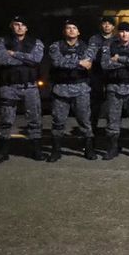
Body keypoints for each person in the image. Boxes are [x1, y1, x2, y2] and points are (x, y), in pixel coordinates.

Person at [0, 15, 45, 163]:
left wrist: (14, 54)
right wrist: (26, 59)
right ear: (12, 26)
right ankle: (2, 152)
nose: (19, 27)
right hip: (8, 87)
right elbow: (2, 59)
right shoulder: (2, 41)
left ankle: (37, 151)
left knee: (34, 119)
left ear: (27, 28)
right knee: (6, 119)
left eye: (22, 25)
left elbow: (36, 59)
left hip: (30, 87)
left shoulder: (35, 42)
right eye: (16, 24)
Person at [47, 19, 96, 162]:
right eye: (68, 28)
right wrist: (78, 62)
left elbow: (87, 64)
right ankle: (56, 151)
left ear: (78, 31)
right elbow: (57, 62)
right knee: (58, 121)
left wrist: (71, 63)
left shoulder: (87, 47)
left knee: (85, 121)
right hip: (60, 90)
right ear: (64, 31)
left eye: (74, 28)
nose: (71, 30)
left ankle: (89, 150)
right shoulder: (55, 46)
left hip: (80, 89)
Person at [100, 22, 129, 160]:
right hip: (114, 88)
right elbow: (105, 64)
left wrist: (118, 58)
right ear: (118, 33)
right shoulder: (108, 45)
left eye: (127, 31)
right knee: (112, 120)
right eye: (121, 31)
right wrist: (128, 63)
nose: (124, 34)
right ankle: (112, 148)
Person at [88, 16, 116, 133]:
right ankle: (92, 132)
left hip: (112, 75)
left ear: (113, 26)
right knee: (95, 104)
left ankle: (112, 133)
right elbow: (91, 55)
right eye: (104, 23)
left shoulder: (117, 39)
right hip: (97, 74)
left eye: (109, 24)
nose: (107, 26)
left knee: (113, 106)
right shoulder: (94, 39)